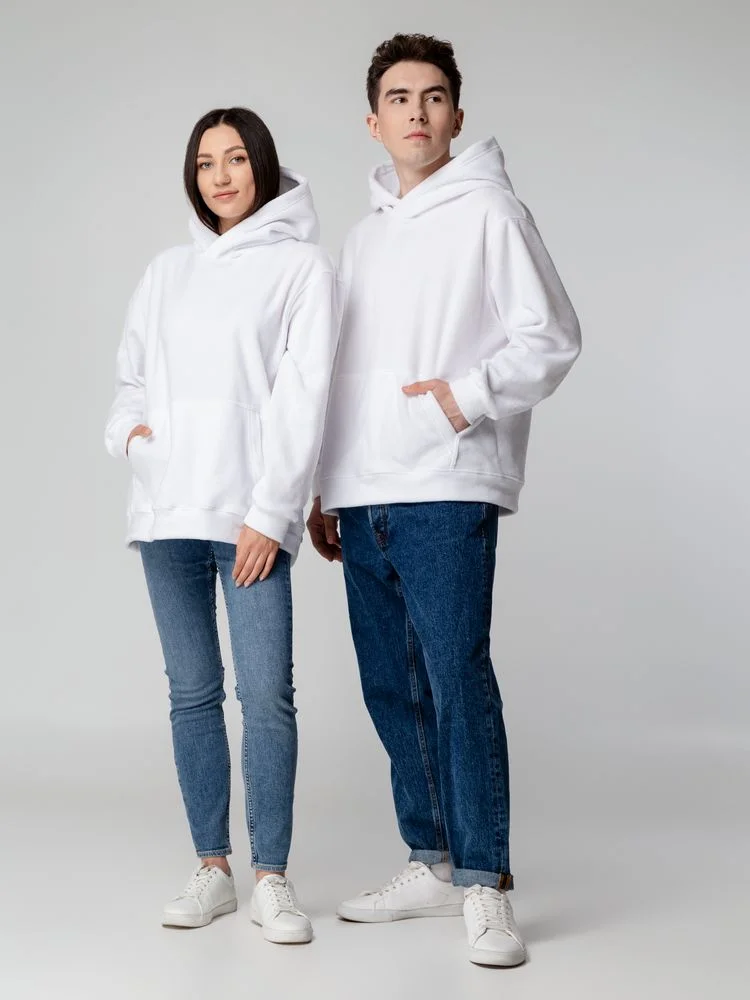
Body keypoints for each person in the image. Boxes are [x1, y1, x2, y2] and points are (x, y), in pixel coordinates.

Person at [307, 34, 581, 967]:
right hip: (363, 492)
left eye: (432, 97)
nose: (416, 112)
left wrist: (460, 400)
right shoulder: (362, 238)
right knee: (393, 683)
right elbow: (341, 373)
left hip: (446, 481)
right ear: (373, 121)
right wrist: (324, 483)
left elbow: (551, 335)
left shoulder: (491, 210)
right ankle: (431, 858)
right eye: (399, 97)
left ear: (457, 115)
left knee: (457, 677)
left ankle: (485, 880)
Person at [105, 107, 338, 943]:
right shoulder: (167, 270)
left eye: (236, 158)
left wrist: (271, 514)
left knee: (266, 694)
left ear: (262, 165)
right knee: (192, 694)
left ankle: (272, 875)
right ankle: (213, 867)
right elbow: (130, 380)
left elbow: (304, 397)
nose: (221, 176)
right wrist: (135, 442)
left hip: (248, 515)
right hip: (166, 510)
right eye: (206, 163)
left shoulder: (302, 268)